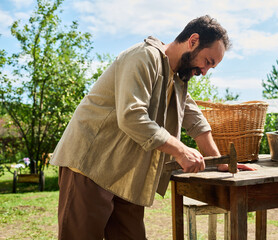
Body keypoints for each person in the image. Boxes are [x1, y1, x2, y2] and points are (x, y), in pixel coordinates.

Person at [50, 15, 249, 240]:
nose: (205, 71)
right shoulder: (143, 57)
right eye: (208, 61)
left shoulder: (177, 78)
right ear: (193, 41)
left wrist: (218, 159)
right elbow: (132, 116)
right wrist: (181, 150)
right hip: (89, 165)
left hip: (125, 174)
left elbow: (195, 120)